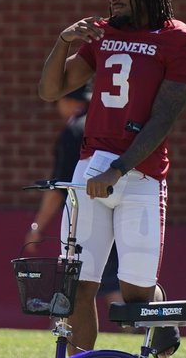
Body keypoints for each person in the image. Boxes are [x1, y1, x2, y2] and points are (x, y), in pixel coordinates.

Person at [36, 0, 186, 358]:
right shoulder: (103, 35)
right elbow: (50, 89)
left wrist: (119, 168)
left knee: (133, 297)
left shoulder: (185, 40)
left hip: (140, 175)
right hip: (91, 169)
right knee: (79, 286)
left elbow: (162, 120)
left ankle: (157, 305)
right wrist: (63, 41)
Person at [23, 83, 124, 313]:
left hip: (87, 216)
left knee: (80, 284)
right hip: (122, 208)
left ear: (68, 101)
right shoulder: (107, 125)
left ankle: (68, 338)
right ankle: (149, 332)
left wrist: (37, 226)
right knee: (120, 282)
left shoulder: (74, 131)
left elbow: (59, 187)